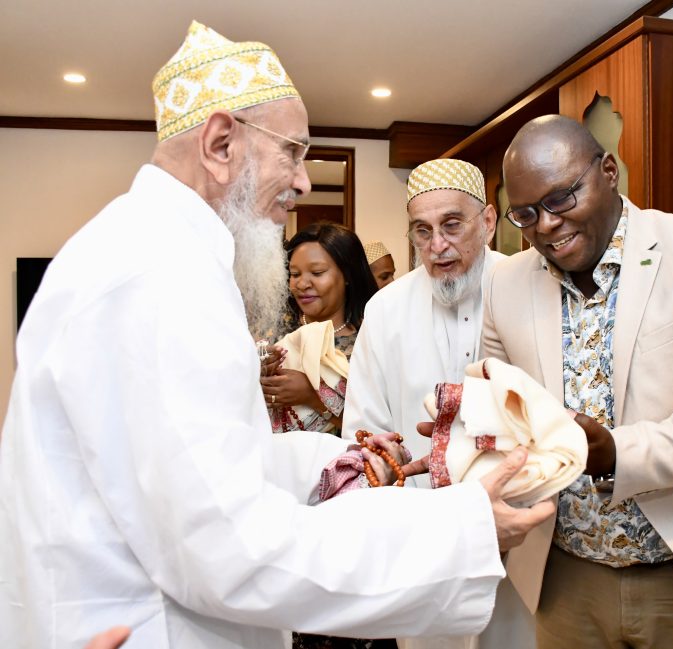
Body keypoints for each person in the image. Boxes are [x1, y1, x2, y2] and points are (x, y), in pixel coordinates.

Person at [0, 22, 556, 649]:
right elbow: (229, 548)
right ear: (220, 144)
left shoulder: (156, 254)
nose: (303, 181)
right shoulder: (160, 277)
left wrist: (338, 463)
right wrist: (460, 533)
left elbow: (215, 464)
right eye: (292, 152)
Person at [481, 114, 673, 649]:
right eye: (527, 213)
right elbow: (499, 405)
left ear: (609, 171)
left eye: (561, 198)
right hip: (565, 577)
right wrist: (461, 438)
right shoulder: (504, 283)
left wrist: (616, 453)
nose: (546, 226)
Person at [343, 159, 537, 649]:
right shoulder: (386, 310)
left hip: (522, 534)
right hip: (424, 541)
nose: (437, 246)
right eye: (422, 231)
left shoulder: (532, 287)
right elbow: (364, 427)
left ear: (488, 221)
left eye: (452, 225)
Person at [261, 222, 377, 436]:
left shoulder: (369, 342)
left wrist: (311, 396)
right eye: (295, 274)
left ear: (347, 275)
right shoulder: (274, 334)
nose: (302, 284)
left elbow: (375, 426)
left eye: (317, 272)